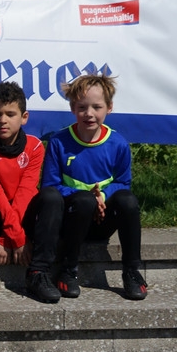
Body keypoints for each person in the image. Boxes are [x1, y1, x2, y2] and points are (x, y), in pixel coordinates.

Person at [41, 74, 147, 300]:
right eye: (82, 107)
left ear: (109, 108)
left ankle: (132, 271)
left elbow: (123, 183)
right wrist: (87, 196)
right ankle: (68, 270)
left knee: (128, 200)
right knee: (84, 200)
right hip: (72, 219)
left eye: (97, 107)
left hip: (102, 219)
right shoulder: (59, 142)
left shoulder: (118, 144)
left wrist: (103, 197)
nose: (89, 113)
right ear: (73, 108)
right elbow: (50, 186)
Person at [0, 82, 63, 304]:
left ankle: (38, 273)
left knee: (52, 196)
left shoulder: (35, 146)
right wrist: (10, 237)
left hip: (23, 216)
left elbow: (26, 192)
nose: (3, 120)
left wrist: (14, 237)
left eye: (10, 114)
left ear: (24, 117)